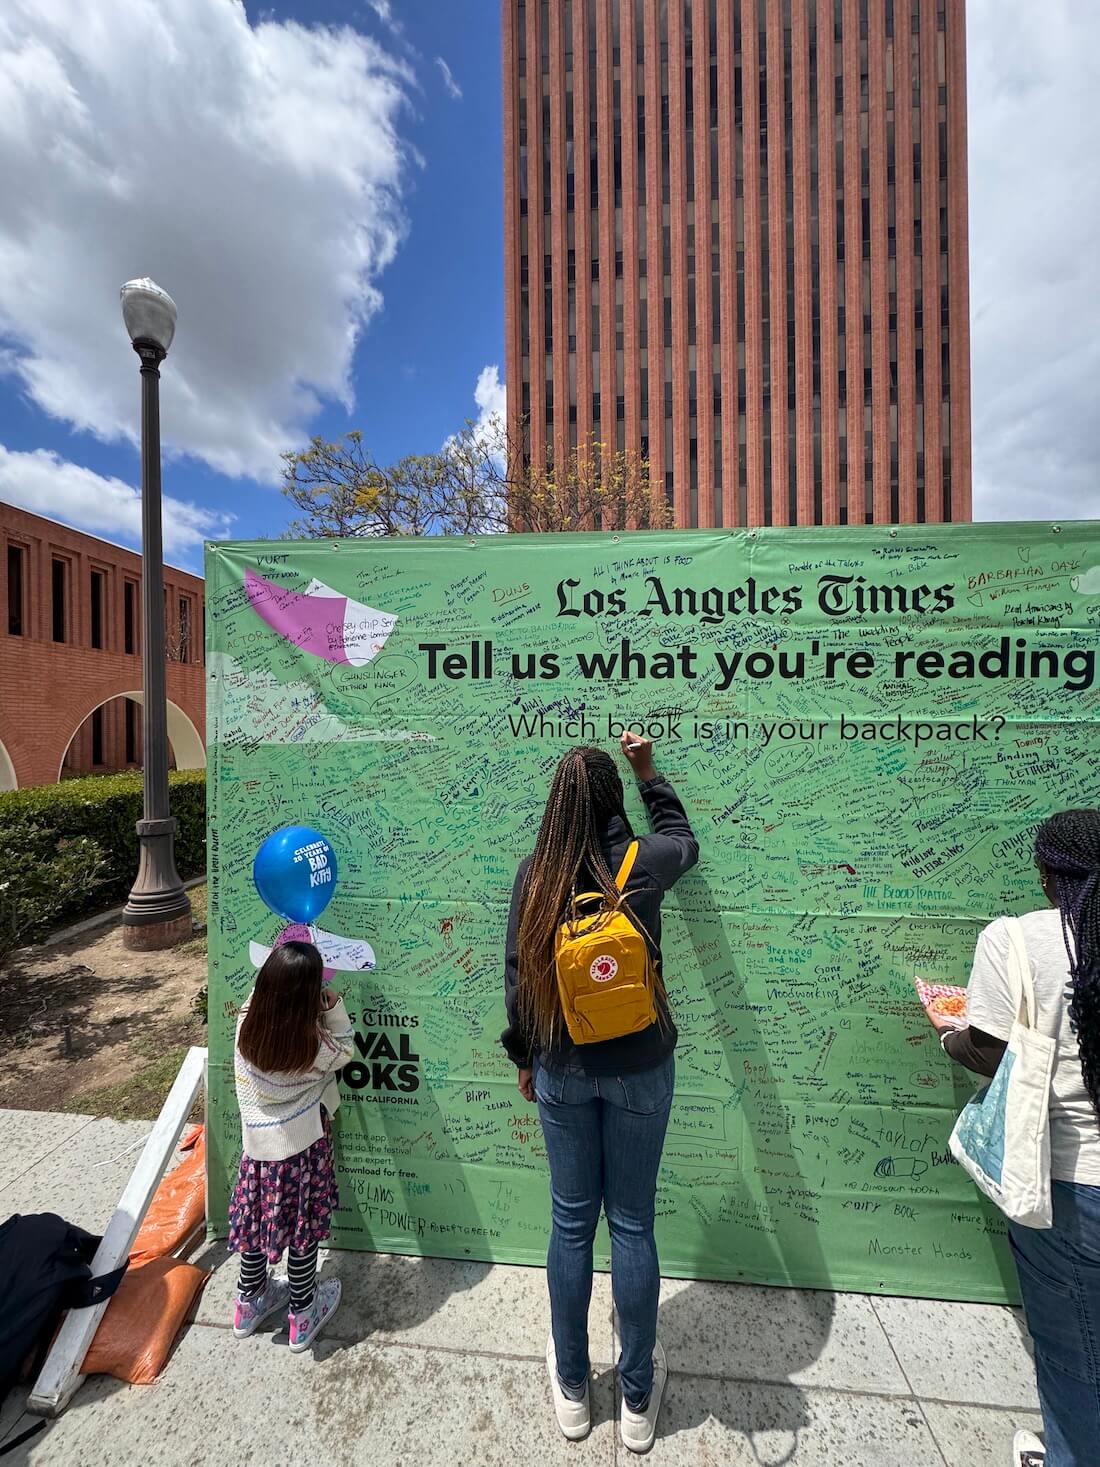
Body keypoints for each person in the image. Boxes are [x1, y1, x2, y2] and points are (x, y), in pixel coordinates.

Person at [502, 732, 698, 1452]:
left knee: (571, 1224)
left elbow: (519, 975)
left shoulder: (538, 873)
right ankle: (639, 1396)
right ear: (614, 798)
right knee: (635, 1226)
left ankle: (576, 1389)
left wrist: (525, 1055)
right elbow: (684, 839)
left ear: (557, 805)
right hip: (643, 1067)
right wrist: (650, 773)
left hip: (563, 1068)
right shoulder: (642, 863)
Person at [927, 809, 1100, 1467]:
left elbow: (991, 1049)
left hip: (1071, 1188)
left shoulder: (1018, 940)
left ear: (1048, 873)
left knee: (1074, 1359)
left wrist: (949, 1032)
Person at [229, 939, 354, 1353]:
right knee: (303, 1231)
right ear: (308, 1000)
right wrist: (332, 1005)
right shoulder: (313, 1047)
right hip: (303, 1151)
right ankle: (303, 1311)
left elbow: (263, 994)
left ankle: (249, 1303)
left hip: (258, 1153)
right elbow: (346, 1048)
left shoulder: (247, 1025)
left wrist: (285, 963)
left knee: (255, 1225)